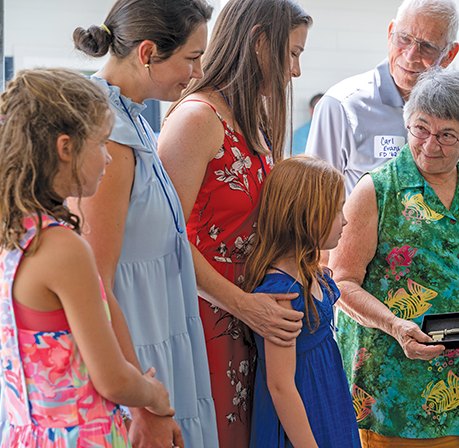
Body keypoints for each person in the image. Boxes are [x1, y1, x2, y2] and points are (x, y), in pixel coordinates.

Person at [329, 68, 459, 446]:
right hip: (402, 392)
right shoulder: (377, 190)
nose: (430, 144)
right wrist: (394, 325)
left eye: (447, 135)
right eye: (421, 128)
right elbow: (341, 281)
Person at [0, 68, 174, 447]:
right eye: (101, 143)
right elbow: (113, 379)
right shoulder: (63, 248)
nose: (108, 158)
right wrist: (155, 395)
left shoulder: (6, 235)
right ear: (66, 147)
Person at [157, 1, 312, 446]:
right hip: (209, 322)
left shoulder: (252, 121)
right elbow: (168, 241)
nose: (296, 72)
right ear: (260, 42)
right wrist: (243, 305)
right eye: (293, 53)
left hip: (253, 323)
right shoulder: (196, 120)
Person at [72, 1, 219, 447]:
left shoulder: (133, 119)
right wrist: (141, 402)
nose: (196, 73)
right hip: (137, 350)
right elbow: (95, 285)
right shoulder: (109, 137)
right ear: (148, 52)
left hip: (158, 334)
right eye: (191, 58)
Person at [243, 156, 360, 448]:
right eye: (336, 210)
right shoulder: (282, 296)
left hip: (329, 405)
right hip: (303, 423)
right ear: (305, 216)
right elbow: (280, 386)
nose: (344, 219)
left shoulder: (311, 274)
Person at [306, 0, 459, 196]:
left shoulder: (453, 111)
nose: (411, 55)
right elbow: (313, 200)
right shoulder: (341, 106)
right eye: (404, 38)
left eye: (428, 46)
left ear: (449, 55)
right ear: (390, 33)